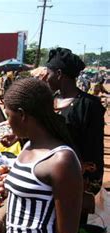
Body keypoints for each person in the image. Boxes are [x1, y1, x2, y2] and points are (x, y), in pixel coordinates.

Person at [0, 78, 83, 233]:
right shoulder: (27, 147)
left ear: (22, 114)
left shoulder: (61, 161)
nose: (8, 122)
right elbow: (19, 209)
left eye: (8, 114)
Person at [46, 47, 105, 221]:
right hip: (45, 182)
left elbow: (94, 151)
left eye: (48, 73)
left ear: (58, 74)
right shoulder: (48, 102)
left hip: (72, 187)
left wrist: (88, 189)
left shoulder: (89, 106)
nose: (46, 77)